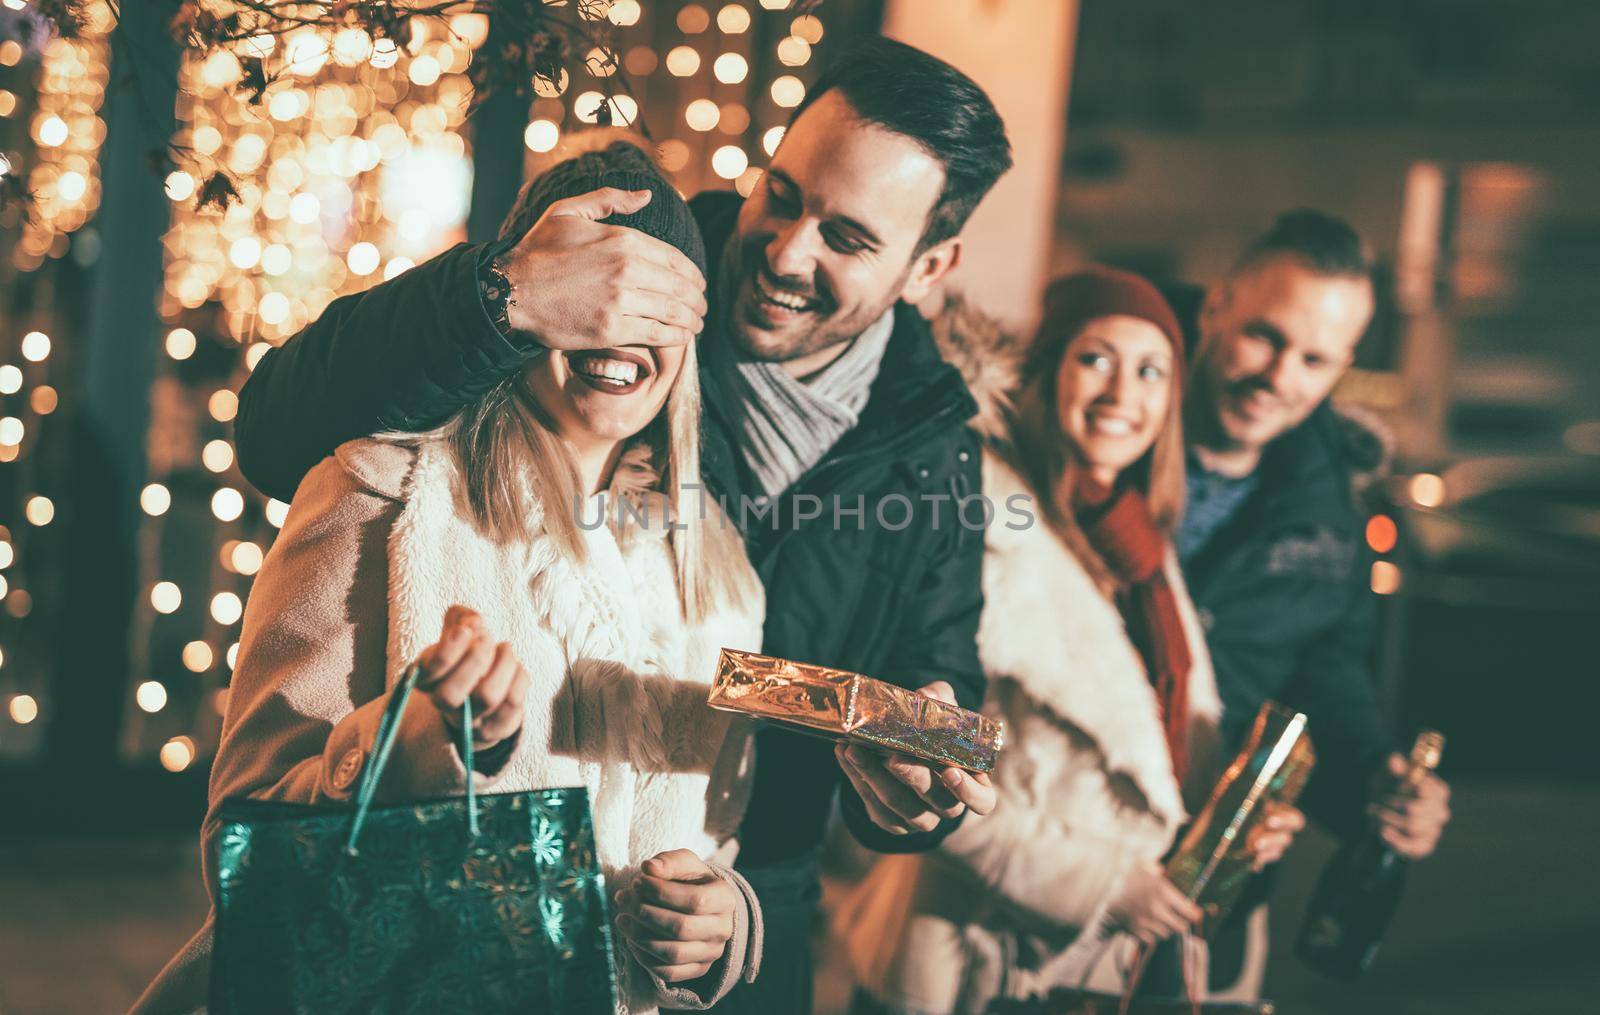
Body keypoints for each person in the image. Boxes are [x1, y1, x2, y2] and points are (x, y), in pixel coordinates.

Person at [226, 37, 1014, 1013]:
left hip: (742, 932)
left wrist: (914, 783)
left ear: (930, 263)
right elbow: (272, 432)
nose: (783, 250)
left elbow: (937, 681)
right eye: (781, 193)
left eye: (847, 238)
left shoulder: (935, 443)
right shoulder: (632, 261)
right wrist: (505, 294)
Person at [133, 139, 767, 1015]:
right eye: (595, 290)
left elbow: (712, 843)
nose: (619, 327)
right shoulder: (380, 494)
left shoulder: (715, 574)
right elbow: (251, 833)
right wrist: (412, 744)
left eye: (653, 301)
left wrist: (721, 922)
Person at [842, 269, 1304, 1014]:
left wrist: (1236, 825)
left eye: (1151, 370)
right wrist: (1102, 883)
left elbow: (1162, 757)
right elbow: (901, 756)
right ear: (1048, 367)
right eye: (1096, 359)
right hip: (976, 961)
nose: (1125, 394)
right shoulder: (971, 517)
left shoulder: (1138, 544)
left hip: (1107, 966)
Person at [1177, 210, 1453, 996]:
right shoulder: (1103, 435)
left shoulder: (1334, 503)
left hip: (1213, 890)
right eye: (1265, 335)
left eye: (1314, 358)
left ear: (1343, 365)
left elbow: (1327, 671)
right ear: (1215, 307)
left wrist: (1377, 780)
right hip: (1030, 866)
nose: (1280, 376)